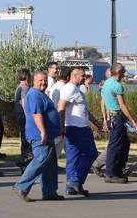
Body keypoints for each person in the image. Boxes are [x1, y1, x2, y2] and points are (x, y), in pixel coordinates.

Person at [13, 71, 63, 202]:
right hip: (39, 134)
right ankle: (21, 186)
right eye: (40, 80)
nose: (43, 83)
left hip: (48, 134)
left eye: (45, 80)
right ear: (34, 81)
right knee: (40, 160)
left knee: (50, 164)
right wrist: (43, 131)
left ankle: (49, 192)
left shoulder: (41, 94)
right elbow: (37, 114)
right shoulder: (35, 94)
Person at [58, 67, 99, 196]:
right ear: (74, 76)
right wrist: (61, 126)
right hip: (77, 128)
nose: (85, 77)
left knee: (73, 157)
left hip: (78, 127)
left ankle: (71, 187)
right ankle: (75, 181)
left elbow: (83, 109)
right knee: (91, 153)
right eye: (83, 75)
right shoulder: (69, 88)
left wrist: (94, 121)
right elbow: (61, 106)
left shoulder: (76, 89)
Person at [102, 63, 137, 183]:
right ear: (118, 72)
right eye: (123, 70)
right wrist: (133, 121)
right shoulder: (117, 85)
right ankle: (111, 173)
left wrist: (105, 118)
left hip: (112, 117)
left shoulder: (107, 83)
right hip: (116, 117)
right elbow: (122, 105)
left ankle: (118, 170)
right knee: (115, 145)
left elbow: (104, 101)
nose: (125, 72)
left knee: (124, 144)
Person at [49, 66, 70, 160]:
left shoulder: (54, 86)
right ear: (68, 77)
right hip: (62, 121)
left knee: (63, 146)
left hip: (54, 119)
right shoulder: (64, 89)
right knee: (59, 146)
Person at [14, 69, 32, 170]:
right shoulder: (25, 88)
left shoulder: (18, 87)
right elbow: (24, 102)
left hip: (19, 115)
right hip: (24, 116)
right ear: (27, 76)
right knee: (26, 139)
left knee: (23, 138)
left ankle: (23, 160)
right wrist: (29, 116)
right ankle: (24, 161)